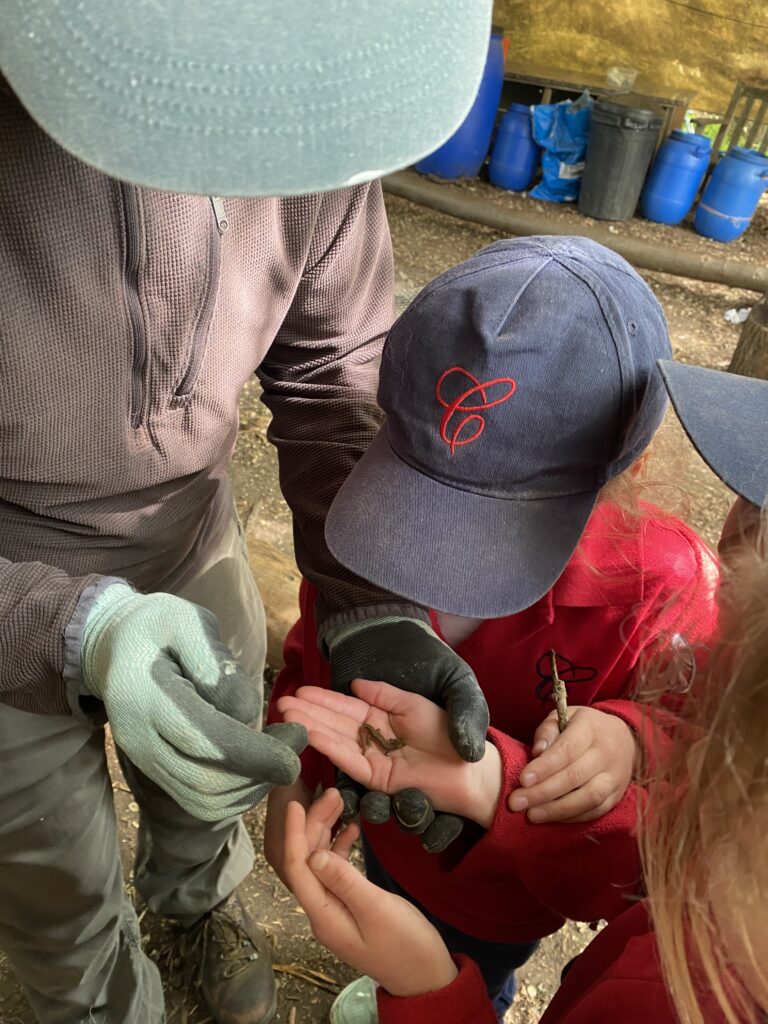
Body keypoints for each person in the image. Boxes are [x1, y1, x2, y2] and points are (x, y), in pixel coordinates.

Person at [0, 3, 496, 1023]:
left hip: (190, 528)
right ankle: (95, 998)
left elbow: (330, 372)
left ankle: (192, 910)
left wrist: (369, 603)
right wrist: (77, 629)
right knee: (49, 868)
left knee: (215, 780)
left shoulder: (323, 93)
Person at [266, 237, 720, 1020]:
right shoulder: (363, 517)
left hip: (509, 894)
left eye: (496, 532)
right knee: (387, 917)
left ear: (630, 469)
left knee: (479, 971)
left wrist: (632, 734)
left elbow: (708, 759)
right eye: (414, 506)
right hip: (386, 833)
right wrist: (296, 775)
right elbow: (319, 650)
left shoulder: (666, 588)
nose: (436, 564)